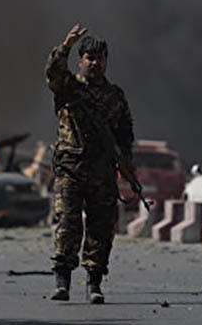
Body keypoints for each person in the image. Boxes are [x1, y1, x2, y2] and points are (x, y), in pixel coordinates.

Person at [45, 23, 134, 304]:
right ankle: (62, 282)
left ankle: (94, 284)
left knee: (100, 229)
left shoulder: (115, 96)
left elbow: (124, 131)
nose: (95, 63)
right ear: (80, 60)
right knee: (69, 224)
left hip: (102, 171)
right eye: (90, 58)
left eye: (100, 58)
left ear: (106, 61)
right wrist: (66, 45)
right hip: (70, 169)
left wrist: (126, 160)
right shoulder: (68, 88)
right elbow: (53, 72)